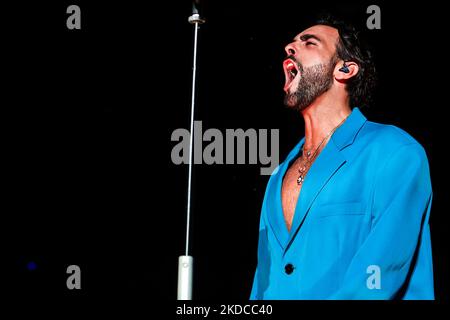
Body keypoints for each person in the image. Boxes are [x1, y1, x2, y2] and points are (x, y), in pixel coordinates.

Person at [250, 16, 434, 299]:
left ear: (345, 69)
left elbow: (376, 276)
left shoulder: (395, 152)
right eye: (292, 41)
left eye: (309, 42)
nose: (289, 47)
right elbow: (264, 285)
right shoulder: (277, 176)